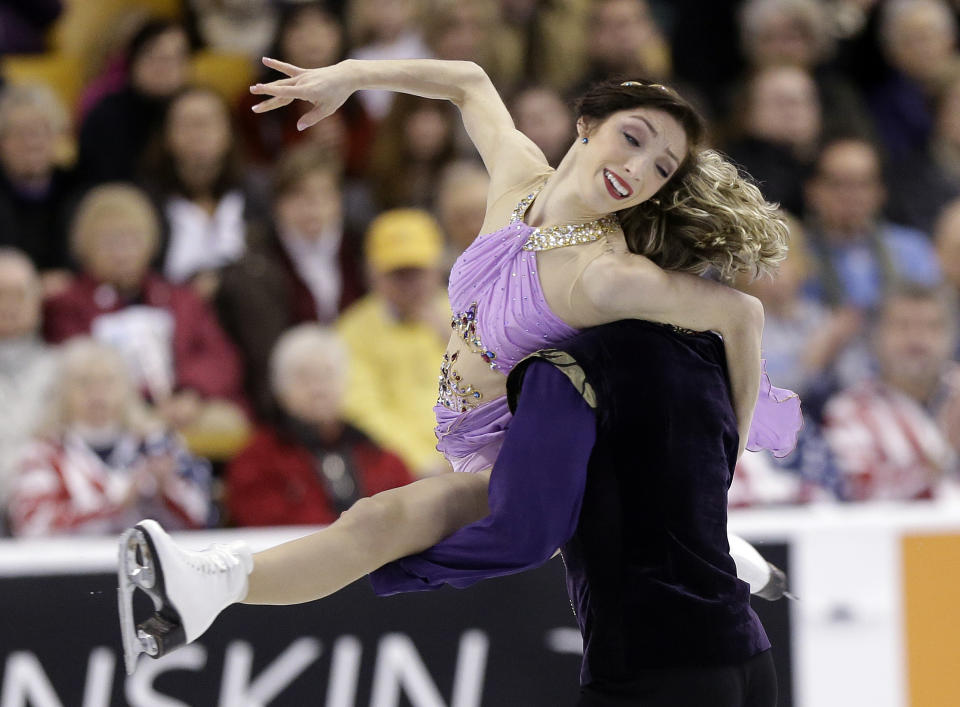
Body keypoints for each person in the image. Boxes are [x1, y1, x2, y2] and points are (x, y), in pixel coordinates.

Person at [117, 58, 797, 673]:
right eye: (635, 136)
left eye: (660, 168)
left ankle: (206, 587)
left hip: (526, 456)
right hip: (469, 434)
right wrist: (349, 75)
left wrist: (719, 471)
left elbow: (743, 316)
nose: (638, 167)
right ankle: (732, 550)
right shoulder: (517, 181)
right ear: (588, 123)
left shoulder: (607, 275)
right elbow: (469, 80)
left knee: (375, 524)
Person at [371, 319, 783, 705]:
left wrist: (388, 564)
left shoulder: (569, 368)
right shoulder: (703, 346)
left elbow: (525, 537)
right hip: (746, 653)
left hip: (654, 664)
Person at [43, 183, 249, 447]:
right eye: (109, 242)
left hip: (183, 404)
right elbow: (74, 369)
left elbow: (219, 355)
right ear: (85, 247)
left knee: (230, 424)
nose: (122, 252)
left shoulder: (179, 299)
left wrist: (191, 394)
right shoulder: (69, 304)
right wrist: (136, 402)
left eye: (132, 239)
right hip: (110, 409)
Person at [215, 146, 365, 418]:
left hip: (359, 391)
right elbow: (265, 355)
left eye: (323, 196)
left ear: (339, 201)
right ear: (277, 204)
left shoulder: (360, 251)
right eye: (300, 196)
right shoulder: (254, 265)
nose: (313, 208)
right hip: (288, 401)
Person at [8, 338, 211, 537]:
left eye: (108, 382)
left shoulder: (158, 443)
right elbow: (33, 527)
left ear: (127, 388)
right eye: (84, 383)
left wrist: (165, 490)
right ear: (62, 393)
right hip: (76, 568)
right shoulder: (43, 453)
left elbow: (200, 516)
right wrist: (114, 506)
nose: (97, 394)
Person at [226, 324, 414, 527]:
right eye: (304, 378)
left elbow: (409, 512)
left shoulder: (376, 454)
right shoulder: (257, 460)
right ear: (280, 390)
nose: (318, 389)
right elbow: (264, 523)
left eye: (327, 375)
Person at [338, 209, 451, 477]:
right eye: (398, 273)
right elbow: (364, 411)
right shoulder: (352, 332)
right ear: (372, 274)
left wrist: (459, 345)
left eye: (417, 271)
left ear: (438, 268)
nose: (410, 284)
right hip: (400, 474)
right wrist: (423, 461)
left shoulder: (466, 316)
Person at [822, 284, 960, 501]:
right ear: (875, 337)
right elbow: (861, 494)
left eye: (933, 327)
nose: (917, 339)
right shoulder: (850, 411)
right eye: (902, 326)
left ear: (952, 337)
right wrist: (944, 452)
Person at [0, 249, 59, 528]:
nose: (8, 305)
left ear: (38, 302)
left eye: (19, 295)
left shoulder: (68, 369)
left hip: (47, 525)